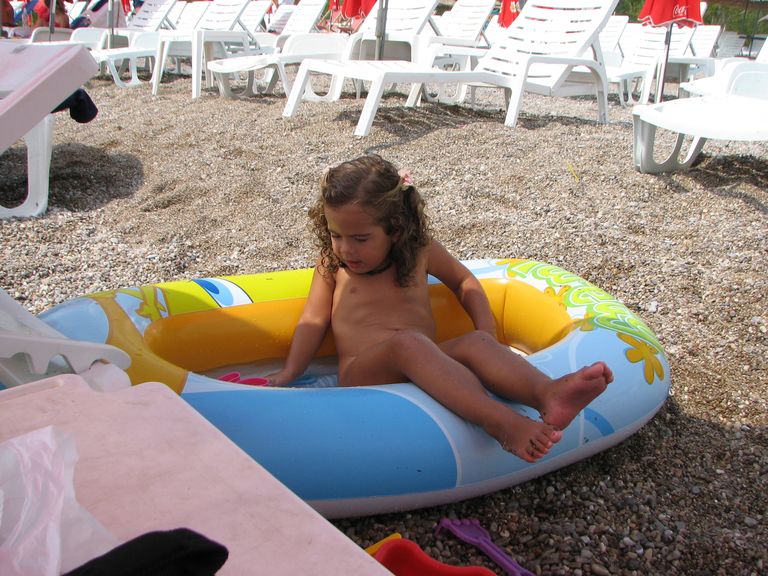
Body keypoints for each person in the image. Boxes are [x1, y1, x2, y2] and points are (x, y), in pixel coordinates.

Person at [267, 155, 613, 462]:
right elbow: (313, 320)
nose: (346, 249)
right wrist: (290, 373)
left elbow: (464, 282)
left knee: (472, 343)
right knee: (408, 343)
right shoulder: (332, 265)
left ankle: (548, 394)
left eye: (360, 239)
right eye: (336, 235)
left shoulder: (420, 251)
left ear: (395, 230)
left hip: (423, 359)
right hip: (364, 373)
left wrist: (486, 332)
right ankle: (500, 422)